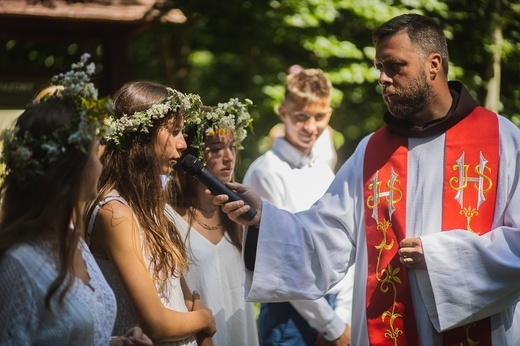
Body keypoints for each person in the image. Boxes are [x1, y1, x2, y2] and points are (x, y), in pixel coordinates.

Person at [213, 13, 520, 345]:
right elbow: (323, 237)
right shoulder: (372, 150)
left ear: (434, 64)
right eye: (379, 68)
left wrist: (439, 258)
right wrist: (264, 220)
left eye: (395, 66)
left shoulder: (503, 141)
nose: (383, 79)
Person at [0, 55, 152, 346]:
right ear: (68, 170)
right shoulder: (18, 266)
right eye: (95, 155)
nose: (101, 165)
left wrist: (114, 343)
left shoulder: (73, 239)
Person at [85, 80, 216, 345]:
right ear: (142, 136)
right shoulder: (115, 213)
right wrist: (206, 319)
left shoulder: (154, 207)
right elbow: (155, 324)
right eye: (174, 131)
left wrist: (202, 326)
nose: (182, 144)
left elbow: (185, 298)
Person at [243, 68, 353, 346]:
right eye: (301, 117)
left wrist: (342, 314)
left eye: (320, 117)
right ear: (283, 113)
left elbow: (341, 240)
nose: (311, 127)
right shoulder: (266, 172)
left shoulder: (324, 170)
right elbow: (281, 259)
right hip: (288, 314)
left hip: (331, 305)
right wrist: (333, 328)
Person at [165, 98, 259, 346]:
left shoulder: (238, 216)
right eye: (216, 149)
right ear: (193, 155)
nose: (228, 157)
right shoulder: (169, 218)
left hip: (241, 332)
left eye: (232, 147)